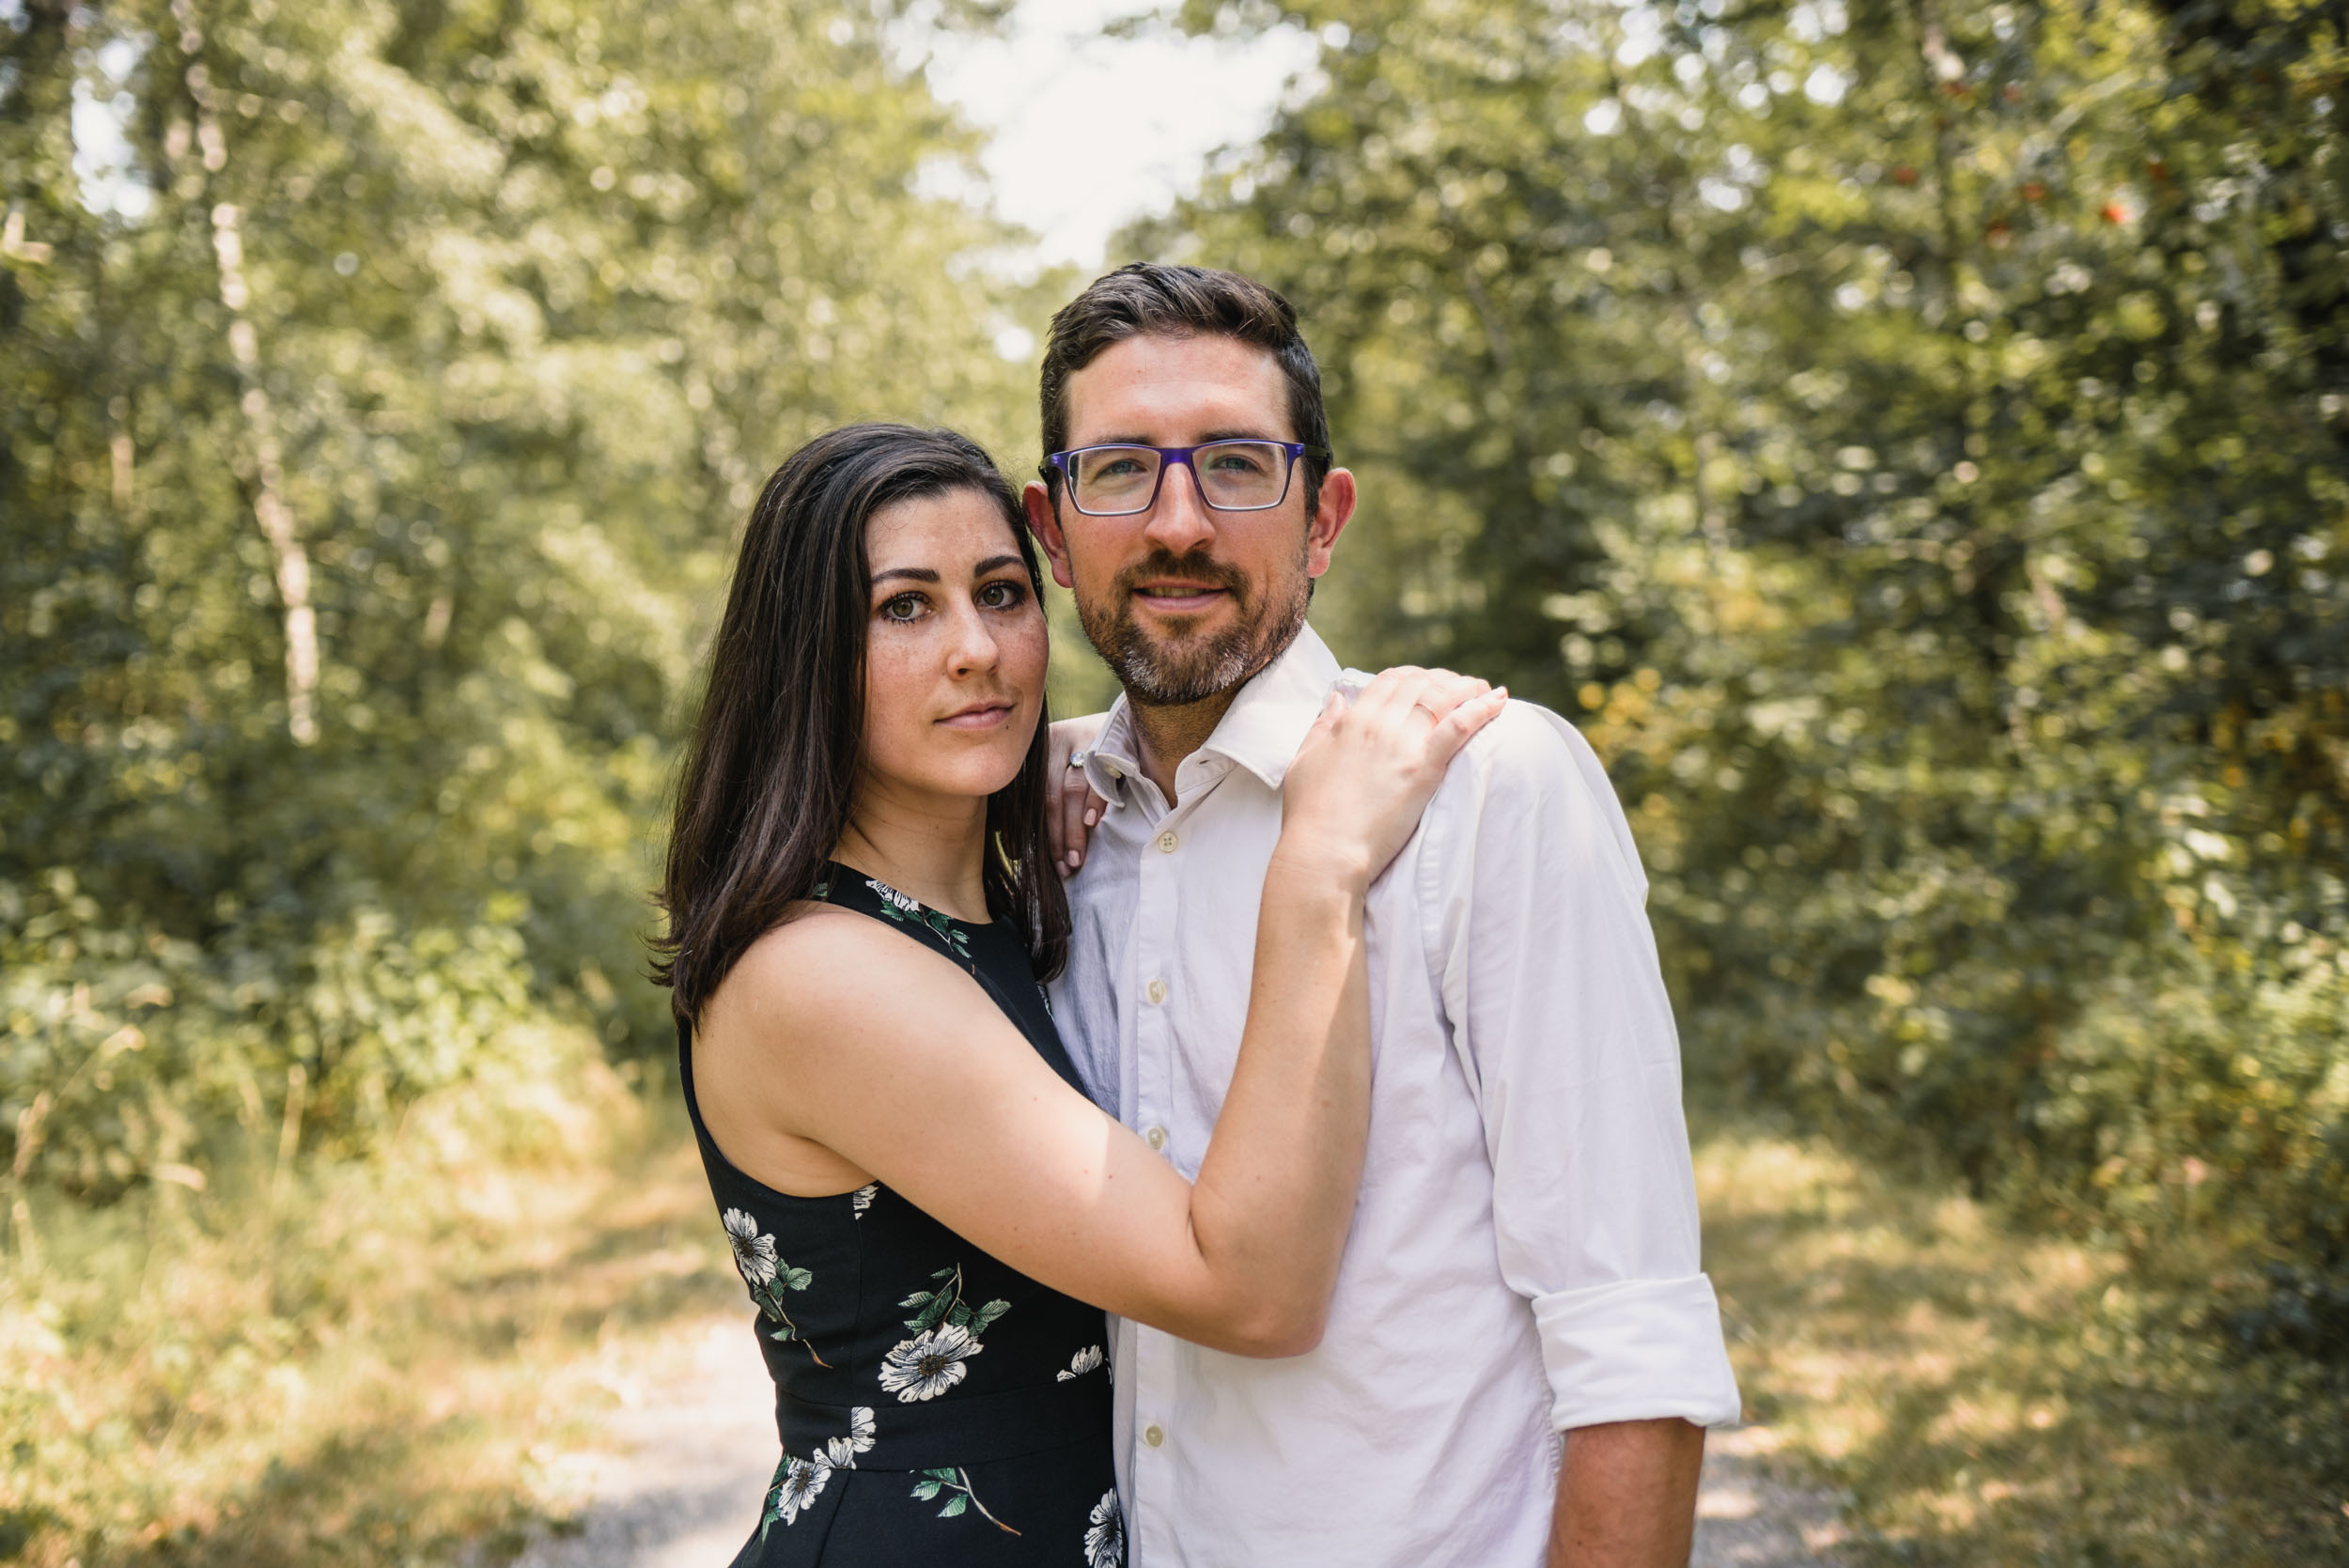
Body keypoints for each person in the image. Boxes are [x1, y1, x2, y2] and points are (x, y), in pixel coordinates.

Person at [652, 421, 1504, 1567]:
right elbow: (1247, 1289)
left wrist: (1074, 751)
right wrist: (1318, 869)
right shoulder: (820, 974)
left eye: (1000, 594)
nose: (977, 651)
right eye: (902, 608)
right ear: (803, 655)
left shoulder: (975, 912)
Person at [1026, 265, 1744, 1567]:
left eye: (1238, 465)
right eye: (1120, 469)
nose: (1178, 522)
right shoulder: (1042, 830)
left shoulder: (1493, 788)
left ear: (1323, 517)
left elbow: (1627, 1322)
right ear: (1052, 523)